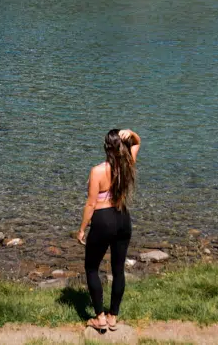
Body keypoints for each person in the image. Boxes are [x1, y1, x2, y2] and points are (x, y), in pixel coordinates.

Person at [77, 128, 141, 333]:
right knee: (118, 269)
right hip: (123, 219)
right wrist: (131, 133)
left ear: (105, 147)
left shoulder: (97, 171)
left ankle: (100, 318)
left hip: (103, 221)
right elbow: (138, 143)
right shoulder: (128, 164)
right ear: (122, 146)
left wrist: (81, 229)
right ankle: (113, 316)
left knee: (92, 268)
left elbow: (90, 204)